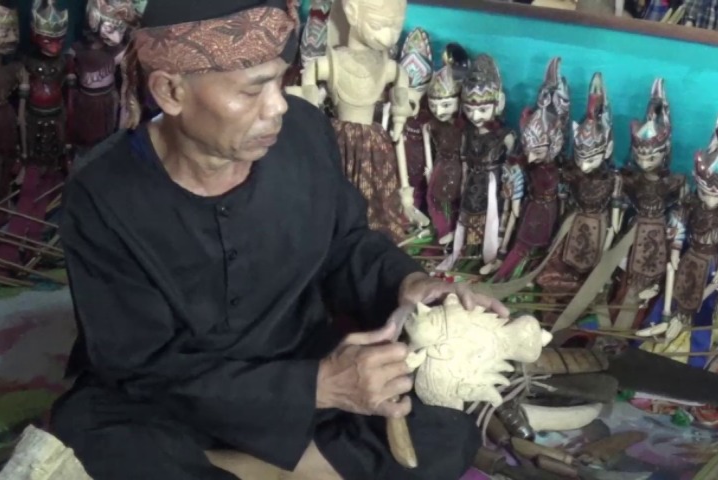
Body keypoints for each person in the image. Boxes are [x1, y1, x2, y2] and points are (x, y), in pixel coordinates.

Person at [49, 1, 509, 479]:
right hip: (173, 397)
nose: (278, 107)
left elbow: (347, 244)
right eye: (252, 91)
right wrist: (318, 387)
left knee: (445, 425)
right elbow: (139, 365)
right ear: (170, 91)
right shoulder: (103, 193)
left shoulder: (304, 134)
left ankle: (242, 469)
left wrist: (409, 285)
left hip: (299, 358)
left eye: (280, 80)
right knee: (91, 438)